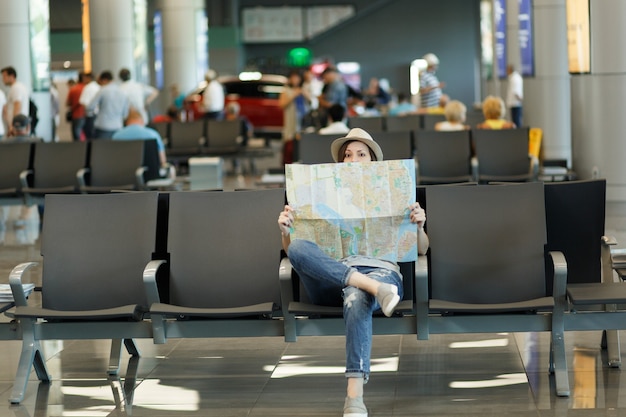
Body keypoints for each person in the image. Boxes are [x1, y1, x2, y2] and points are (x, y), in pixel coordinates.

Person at [277, 128, 429, 417]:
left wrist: (419, 225)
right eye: (347, 155)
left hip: (381, 272)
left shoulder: (395, 196)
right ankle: (373, 288)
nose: (353, 159)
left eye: (361, 154)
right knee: (296, 247)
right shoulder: (324, 198)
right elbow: (294, 254)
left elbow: (421, 250)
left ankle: (354, 398)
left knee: (356, 296)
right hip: (332, 277)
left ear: (373, 161)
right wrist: (286, 231)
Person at [86, 70, 129, 139]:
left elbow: (90, 107)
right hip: (118, 126)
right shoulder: (122, 92)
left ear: (104, 80)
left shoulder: (102, 90)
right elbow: (125, 113)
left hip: (103, 126)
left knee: (102, 149)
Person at [279, 70, 305, 165]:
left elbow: (311, 103)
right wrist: (294, 95)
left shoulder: (303, 89)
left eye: (297, 77)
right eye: (293, 77)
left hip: (302, 124)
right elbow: (282, 105)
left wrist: (304, 93)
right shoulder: (286, 91)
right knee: (289, 148)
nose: (295, 80)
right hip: (291, 124)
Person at [1, 66, 30, 136]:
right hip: (19, 126)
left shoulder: (16, 88)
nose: (2, 79)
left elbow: (17, 106)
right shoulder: (17, 87)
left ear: (12, 76)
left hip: (18, 128)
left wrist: (13, 126)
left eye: (4, 76)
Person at [79, 72, 100, 138]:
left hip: (90, 115)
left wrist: (84, 113)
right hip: (99, 115)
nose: (83, 80)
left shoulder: (87, 87)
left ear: (88, 78)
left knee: (89, 135)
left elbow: (83, 102)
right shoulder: (98, 87)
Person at [66, 72, 86, 141]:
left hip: (77, 115)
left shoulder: (74, 89)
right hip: (88, 115)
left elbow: (68, 103)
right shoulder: (87, 88)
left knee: (76, 135)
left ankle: (78, 150)